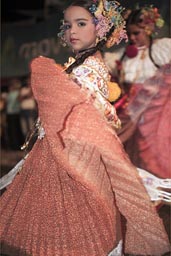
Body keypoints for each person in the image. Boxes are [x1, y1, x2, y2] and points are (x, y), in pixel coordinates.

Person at [0, 1, 170, 255]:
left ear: (100, 30)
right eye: (68, 25)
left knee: (75, 213)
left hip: (74, 149)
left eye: (81, 24)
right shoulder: (81, 63)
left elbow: (95, 107)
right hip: (63, 146)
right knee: (60, 212)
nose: (72, 31)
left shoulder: (91, 66)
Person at [104, 6, 171, 179]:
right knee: (134, 150)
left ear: (148, 30)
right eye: (130, 34)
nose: (132, 38)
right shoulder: (122, 56)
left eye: (137, 33)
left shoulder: (163, 49)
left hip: (160, 111)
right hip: (132, 113)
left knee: (157, 147)